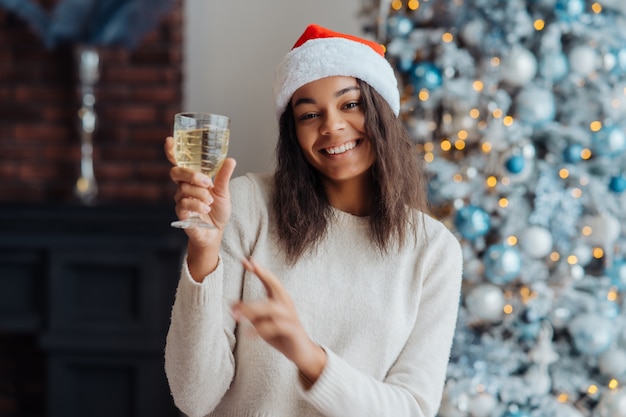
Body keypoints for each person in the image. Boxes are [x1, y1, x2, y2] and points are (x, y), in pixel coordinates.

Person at [163, 23, 463, 417]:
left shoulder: (433, 250)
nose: (331, 126)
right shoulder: (248, 206)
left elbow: (410, 409)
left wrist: (309, 357)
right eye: (309, 114)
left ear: (381, 111)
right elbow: (193, 396)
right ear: (294, 132)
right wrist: (204, 251)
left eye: (350, 104)